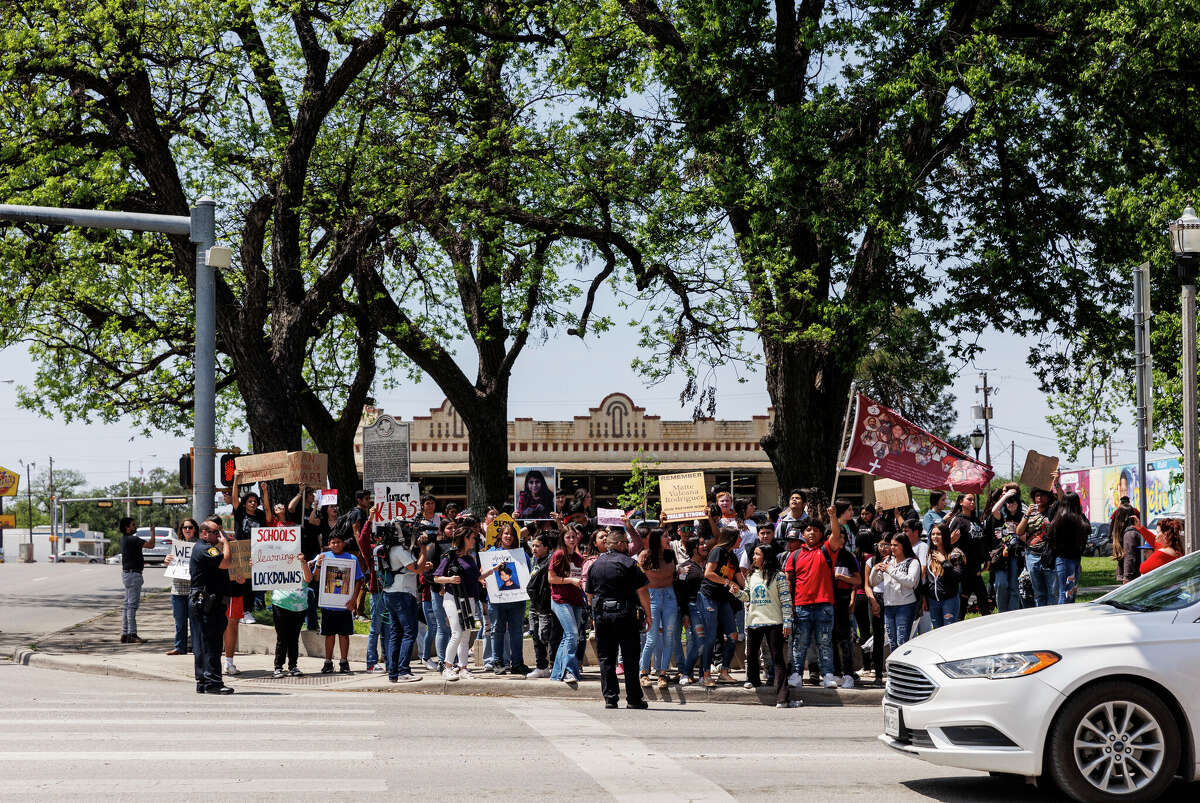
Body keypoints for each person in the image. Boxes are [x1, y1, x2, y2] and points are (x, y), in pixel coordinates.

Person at [586, 529, 652, 709]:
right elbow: (643, 591)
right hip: (625, 615)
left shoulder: (595, 565)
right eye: (627, 543)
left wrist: (595, 615)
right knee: (630, 657)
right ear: (621, 544)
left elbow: (589, 594)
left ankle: (610, 698)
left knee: (606, 658)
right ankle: (634, 699)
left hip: (602, 616)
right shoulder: (630, 563)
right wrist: (648, 615)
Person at [738, 545, 798, 707]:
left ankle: (783, 698)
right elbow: (747, 597)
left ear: (766, 557)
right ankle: (754, 681)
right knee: (751, 655)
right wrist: (736, 592)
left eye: (757, 554)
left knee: (777, 659)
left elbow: (786, 600)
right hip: (754, 622)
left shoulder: (779, 576)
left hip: (774, 623)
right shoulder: (750, 575)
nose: (754, 557)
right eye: (754, 554)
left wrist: (787, 621)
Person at [784, 521, 837, 689]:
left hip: (824, 605)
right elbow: (788, 581)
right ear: (803, 534)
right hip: (801, 606)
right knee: (799, 643)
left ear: (821, 534)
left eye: (816, 530)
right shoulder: (794, 555)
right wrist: (789, 605)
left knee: (825, 643)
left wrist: (833, 516)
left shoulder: (827, 549)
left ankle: (828, 675)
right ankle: (796, 675)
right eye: (808, 530)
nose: (812, 533)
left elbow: (836, 534)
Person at [189, 519, 233, 694]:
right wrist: (226, 543)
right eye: (215, 532)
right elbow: (226, 562)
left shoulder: (204, 548)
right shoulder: (206, 549)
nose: (218, 535)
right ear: (204, 533)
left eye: (219, 532)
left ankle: (203, 681)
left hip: (203, 600)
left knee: (203, 643)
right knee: (211, 643)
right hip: (207, 602)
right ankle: (213, 682)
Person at [434, 527, 485, 680]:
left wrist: (493, 570)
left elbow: (477, 576)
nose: (474, 541)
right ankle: (447, 667)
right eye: (472, 538)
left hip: (470, 599)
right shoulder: (450, 556)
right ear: (465, 539)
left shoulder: (470, 557)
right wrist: (450, 579)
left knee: (466, 634)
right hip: (453, 598)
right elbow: (436, 577)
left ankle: (463, 668)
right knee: (457, 633)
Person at [485, 522, 532, 675]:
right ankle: (498, 662)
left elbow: (527, 575)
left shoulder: (521, 554)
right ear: (500, 535)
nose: (508, 536)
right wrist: (483, 580)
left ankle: (517, 663)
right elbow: (482, 571)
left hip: (517, 600)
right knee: (497, 630)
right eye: (506, 533)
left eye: (511, 534)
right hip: (497, 600)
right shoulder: (491, 552)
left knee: (516, 631)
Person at [314, 529, 363, 674]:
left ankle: (344, 662)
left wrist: (353, 600)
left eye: (338, 542)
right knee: (329, 635)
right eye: (333, 542)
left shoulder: (352, 559)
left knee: (344, 634)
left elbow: (359, 580)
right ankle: (328, 662)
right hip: (328, 605)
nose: (336, 545)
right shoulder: (323, 557)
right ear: (329, 544)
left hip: (344, 605)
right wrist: (318, 565)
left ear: (343, 543)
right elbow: (316, 578)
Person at [378, 525, 422, 683]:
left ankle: (393, 672)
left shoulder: (388, 549)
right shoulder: (401, 551)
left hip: (390, 593)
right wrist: (424, 550)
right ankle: (403, 670)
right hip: (403, 594)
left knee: (395, 633)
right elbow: (417, 569)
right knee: (409, 632)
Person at [701, 526, 744, 685]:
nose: (740, 540)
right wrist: (727, 582)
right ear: (731, 539)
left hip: (724, 599)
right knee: (710, 637)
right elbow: (708, 573)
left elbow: (741, 580)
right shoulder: (717, 551)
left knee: (733, 635)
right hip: (709, 597)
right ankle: (705, 675)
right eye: (738, 537)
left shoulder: (733, 556)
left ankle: (724, 672)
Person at [824, 511, 862, 688]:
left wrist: (841, 578)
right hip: (826, 603)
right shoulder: (824, 555)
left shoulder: (848, 556)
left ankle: (848, 674)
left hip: (843, 603)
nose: (841, 539)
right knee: (829, 640)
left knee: (845, 640)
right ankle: (835, 672)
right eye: (838, 536)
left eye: (843, 536)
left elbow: (857, 580)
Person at [637, 528, 678, 688]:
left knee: (668, 638)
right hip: (652, 597)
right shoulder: (644, 556)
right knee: (652, 638)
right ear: (656, 539)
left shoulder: (670, 554)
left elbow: (675, 574)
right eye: (666, 536)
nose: (669, 539)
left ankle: (663, 674)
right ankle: (644, 672)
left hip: (669, 597)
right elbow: (638, 579)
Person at [548, 526, 586, 687]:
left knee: (568, 637)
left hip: (576, 600)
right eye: (568, 537)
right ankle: (570, 671)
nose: (571, 540)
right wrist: (570, 580)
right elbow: (551, 579)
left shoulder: (579, 557)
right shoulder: (558, 555)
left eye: (573, 537)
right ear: (563, 539)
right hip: (560, 600)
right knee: (572, 634)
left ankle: (557, 673)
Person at [870, 535, 921, 650]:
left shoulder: (912, 562)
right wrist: (874, 570)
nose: (892, 548)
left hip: (905, 606)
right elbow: (874, 582)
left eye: (895, 545)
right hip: (889, 606)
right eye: (891, 545)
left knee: (901, 641)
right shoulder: (888, 561)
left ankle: (903, 662)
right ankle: (893, 663)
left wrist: (890, 570)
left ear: (904, 546)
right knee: (892, 642)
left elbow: (910, 582)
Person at [271, 552, 314, 678]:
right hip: (280, 605)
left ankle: (293, 666)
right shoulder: (276, 564)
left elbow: (308, 579)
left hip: (299, 607)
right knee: (282, 637)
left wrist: (303, 563)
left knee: (294, 638)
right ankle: (278, 667)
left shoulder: (303, 564)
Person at [525, 533, 561, 678]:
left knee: (546, 636)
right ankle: (541, 667)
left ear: (546, 548)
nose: (534, 548)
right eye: (532, 546)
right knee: (535, 636)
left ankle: (554, 665)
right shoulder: (535, 561)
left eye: (537, 546)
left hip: (546, 606)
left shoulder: (550, 562)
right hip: (534, 605)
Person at [676, 536, 710, 686]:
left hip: (709, 608)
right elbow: (681, 592)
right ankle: (686, 673)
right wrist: (685, 613)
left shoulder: (709, 565)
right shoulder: (685, 567)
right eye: (701, 544)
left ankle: (703, 674)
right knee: (699, 641)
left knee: (707, 641)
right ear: (694, 548)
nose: (705, 546)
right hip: (693, 607)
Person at [1047, 491, 1091, 604]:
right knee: (1067, 592)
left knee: (1068, 592)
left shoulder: (1059, 517)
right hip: (1069, 559)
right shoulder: (1076, 518)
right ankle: (1064, 613)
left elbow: (1050, 536)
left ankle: (1067, 612)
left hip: (1065, 559)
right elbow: (1088, 529)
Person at [1017, 485, 1058, 606]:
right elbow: (1019, 532)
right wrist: (1027, 514)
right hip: (1032, 556)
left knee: (1052, 592)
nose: (1039, 498)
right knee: (1039, 593)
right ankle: (1041, 614)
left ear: (1048, 497)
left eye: (1043, 495)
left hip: (1049, 556)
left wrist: (1056, 484)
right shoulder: (1030, 514)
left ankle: (1052, 614)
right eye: (1037, 495)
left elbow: (1061, 501)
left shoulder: (1053, 511)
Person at [986, 485, 1024, 612]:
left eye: (1014, 501)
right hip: (1001, 556)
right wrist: (1006, 495)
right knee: (1001, 584)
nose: (1011, 504)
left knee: (1014, 586)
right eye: (1008, 502)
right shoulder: (1001, 516)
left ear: (1018, 503)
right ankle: (1003, 612)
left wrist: (1017, 530)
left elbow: (1026, 538)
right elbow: (993, 510)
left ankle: (1013, 613)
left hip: (1016, 555)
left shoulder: (1022, 517)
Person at [860, 534, 891, 686]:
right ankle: (878, 674)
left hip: (893, 599)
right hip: (875, 598)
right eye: (881, 544)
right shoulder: (871, 561)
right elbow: (866, 585)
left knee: (894, 636)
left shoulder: (896, 560)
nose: (884, 548)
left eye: (887, 544)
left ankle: (893, 674)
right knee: (877, 637)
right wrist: (873, 602)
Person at [164, 518, 198, 655]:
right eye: (185, 528)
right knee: (180, 622)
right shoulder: (176, 545)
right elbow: (169, 565)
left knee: (195, 622)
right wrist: (167, 561)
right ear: (181, 530)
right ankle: (179, 647)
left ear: (195, 529)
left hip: (194, 589)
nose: (187, 530)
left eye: (190, 527)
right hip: (177, 590)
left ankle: (196, 648)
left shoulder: (199, 545)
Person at [119, 517, 155, 644]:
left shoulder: (124, 539)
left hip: (127, 574)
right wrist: (153, 532)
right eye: (133, 525)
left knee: (127, 605)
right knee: (132, 606)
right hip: (134, 575)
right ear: (127, 527)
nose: (135, 527)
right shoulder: (133, 539)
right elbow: (151, 545)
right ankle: (132, 634)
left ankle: (125, 633)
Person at [925, 522, 964, 627]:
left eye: (938, 534)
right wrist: (925, 598)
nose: (935, 537)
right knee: (937, 631)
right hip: (933, 601)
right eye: (933, 534)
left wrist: (944, 562)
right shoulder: (930, 554)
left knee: (949, 631)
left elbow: (958, 576)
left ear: (945, 535)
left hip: (949, 600)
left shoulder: (955, 553)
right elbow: (927, 578)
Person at [1111, 503, 1142, 584]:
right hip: (1134, 577)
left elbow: (1130, 557)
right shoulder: (1129, 532)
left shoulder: (1129, 534)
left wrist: (1127, 578)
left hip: (1133, 579)